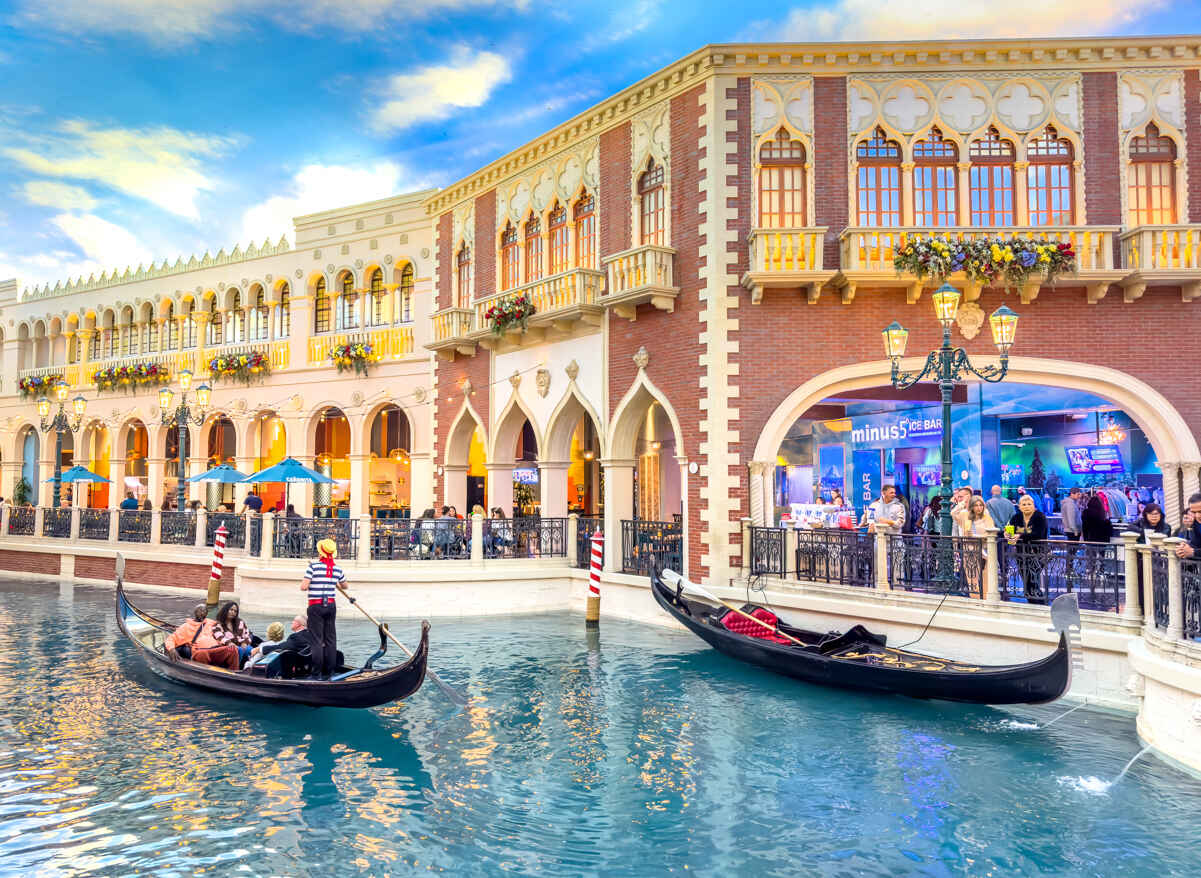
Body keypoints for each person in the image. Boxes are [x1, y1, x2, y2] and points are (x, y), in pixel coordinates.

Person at [301, 538, 347, 680]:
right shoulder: (337, 569)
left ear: (321, 552)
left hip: (315, 606)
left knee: (316, 640)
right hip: (331, 607)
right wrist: (332, 582)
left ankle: (316, 674)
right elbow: (345, 586)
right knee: (330, 639)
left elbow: (303, 587)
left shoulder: (313, 567)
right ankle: (330, 672)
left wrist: (309, 582)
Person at [163, 603, 239, 669]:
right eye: (201, 611)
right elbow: (170, 639)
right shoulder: (186, 627)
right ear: (195, 612)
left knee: (233, 649)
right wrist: (171, 649)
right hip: (199, 652)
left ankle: (234, 674)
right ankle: (208, 675)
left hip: (215, 649)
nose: (203, 613)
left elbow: (223, 625)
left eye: (205, 611)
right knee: (203, 653)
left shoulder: (210, 622)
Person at [1006, 494, 1049, 605]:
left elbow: (1038, 533)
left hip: (1038, 553)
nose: (1026, 506)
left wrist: (1020, 535)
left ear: (1034, 505)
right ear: (1019, 506)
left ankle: (1039, 603)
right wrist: (1007, 534)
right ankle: (1032, 602)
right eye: (1023, 504)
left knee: (1033, 579)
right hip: (1021, 553)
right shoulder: (1016, 517)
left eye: (1029, 504)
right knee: (1025, 579)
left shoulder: (1040, 516)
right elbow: (1010, 532)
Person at [213, 600, 256, 666]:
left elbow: (247, 634)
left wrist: (244, 642)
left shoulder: (240, 622)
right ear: (226, 610)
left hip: (241, 645)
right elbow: (220, 637)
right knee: (238, 650)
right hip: (227, 647)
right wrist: (229, 643)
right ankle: (235, 668)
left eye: (235, 611)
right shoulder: (218, 625)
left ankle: (248, 668)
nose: (233, 612)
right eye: (231, 610)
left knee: (251, 650)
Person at [1174, 493, 1201, 560]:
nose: (1198, 516)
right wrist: (1182, 548)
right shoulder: (1194, 523)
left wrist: (1194, 552)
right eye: (1194, 512)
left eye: (1200, 511)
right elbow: (1195, 544)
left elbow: (1194, 551)